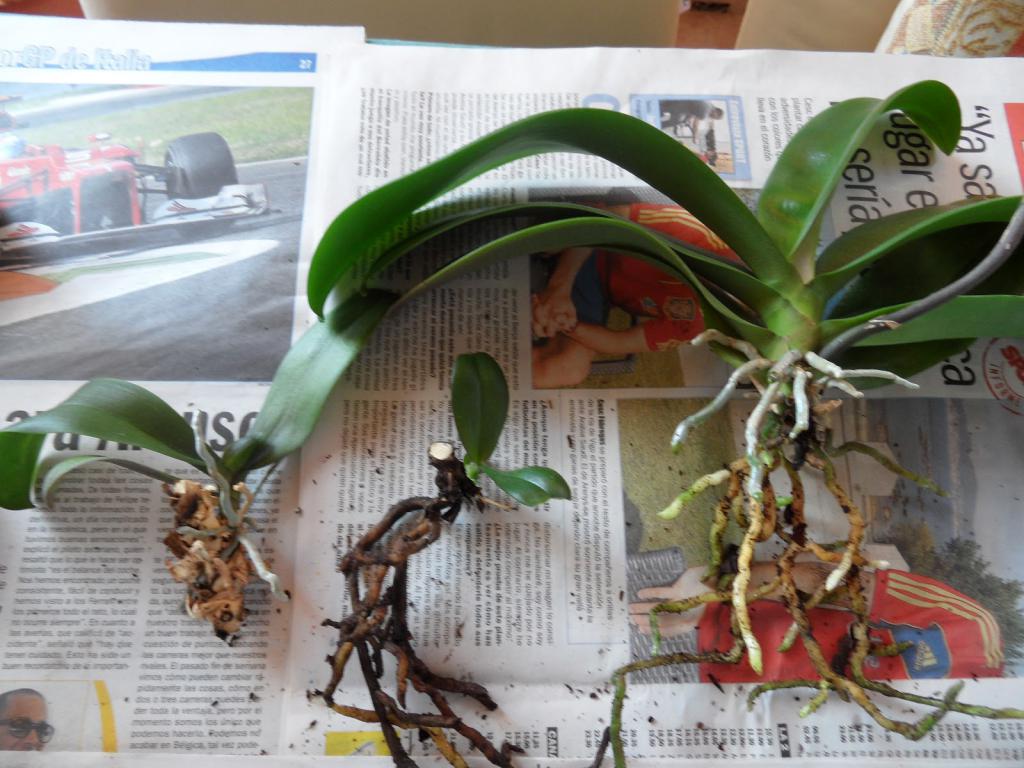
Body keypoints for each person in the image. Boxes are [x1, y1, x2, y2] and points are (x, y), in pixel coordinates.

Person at [630, 560, 1005, 683]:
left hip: (722, 723)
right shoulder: (976, 630)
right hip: (706, 620)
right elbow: (841, 586)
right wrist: (719, 586)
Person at [531, 202, 737, 388]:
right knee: (550, 236)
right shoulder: (696, 233)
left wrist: (567, 323)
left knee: (569, 370)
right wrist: (559, 287)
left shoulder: (703, 321)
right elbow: (600, 218)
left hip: (598, 291)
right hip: (593, 245)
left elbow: (619, 343)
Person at [659, 99, 725, 142]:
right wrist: (695, 136)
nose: (713, 118)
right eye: (715, 118)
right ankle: (658, 125)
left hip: (682, 100)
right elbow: (695, 124)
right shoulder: (706, 112)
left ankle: (661, 111)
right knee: (675, 121)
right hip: (680, 105)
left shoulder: (710, 104)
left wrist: (688, 118)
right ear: (716, 112)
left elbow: (695, 109)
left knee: (683, 119)